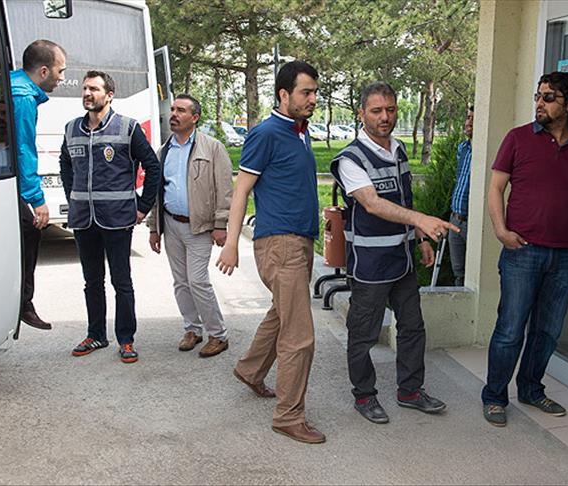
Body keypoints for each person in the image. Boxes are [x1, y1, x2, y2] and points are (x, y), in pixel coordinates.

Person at [330, 81, 458, 424]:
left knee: (413, 327)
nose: (384, 117)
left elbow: (404, 201)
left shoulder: (398, 149)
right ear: (361, 114)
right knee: (363, 334)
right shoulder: (350, 159)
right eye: (376, 111)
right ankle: (364, 395)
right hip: (370, 266)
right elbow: (372, 204)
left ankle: (410, 391)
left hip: (403, 261)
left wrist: (421, 237)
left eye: (390, 109)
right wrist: (421, 219)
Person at [482, 71, 568, 427]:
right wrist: (501, 231)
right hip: (523, 251)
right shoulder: (518, 138)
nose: (540, 102)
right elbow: (495, 188)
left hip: (564, 255)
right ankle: (494, 396)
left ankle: (532, 389)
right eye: (538, 95)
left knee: (547, 331)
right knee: (510, 329)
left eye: (549, 97)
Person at [215, 61, 325, 444]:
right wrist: (231, 244)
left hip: (299, 241)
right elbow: (241, 191)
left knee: (282, 315)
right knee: (299, 335)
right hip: (281, 245)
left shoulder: (299, 132)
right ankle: (288, 416)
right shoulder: (265, 134)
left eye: (315, 92)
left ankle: (250, 370)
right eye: (306, 92)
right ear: (283, 94)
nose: (313, 99)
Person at [59, 71, 159, 363]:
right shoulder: (71, 129)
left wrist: (143, 206)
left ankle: (126, 339)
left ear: (109, 95)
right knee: (92, 282)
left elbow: (152, 166)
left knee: (121, 282)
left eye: (94, 89)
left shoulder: (128, 127)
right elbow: (65, 165)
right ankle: (96, 335)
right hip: (83, 219)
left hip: (118, 218)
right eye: (84, 88)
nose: (87, 93)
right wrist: (73, 196)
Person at [147, 94, 232, 358]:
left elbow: (225, 189)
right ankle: (193, 329)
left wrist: (221, 224)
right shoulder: (164, 151)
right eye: (173, 109)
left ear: (194, 117)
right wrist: (154, 227)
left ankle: (218, 335)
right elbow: (157, 192)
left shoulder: (213, 148)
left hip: (199, 227)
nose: (173, 114)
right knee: (181, 282)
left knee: (198, 281)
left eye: (181, 110)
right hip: (171, 224)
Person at [10, 39, 66, 330]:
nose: (62, 78)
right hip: (11, 180)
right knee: (30, 229)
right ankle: (22, 303)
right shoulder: (23, 98)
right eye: (60, 71)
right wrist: (37, 199)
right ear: (44, 71)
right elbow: (23, 150)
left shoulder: (11, 83)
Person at [448, 106, 474, 286]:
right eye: (468, 117)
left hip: (472, 223)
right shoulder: (463, 148)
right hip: (455, 219)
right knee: (458, 273)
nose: (469, 123)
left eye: (474, 119)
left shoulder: (484, 151)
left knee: (473, 275)